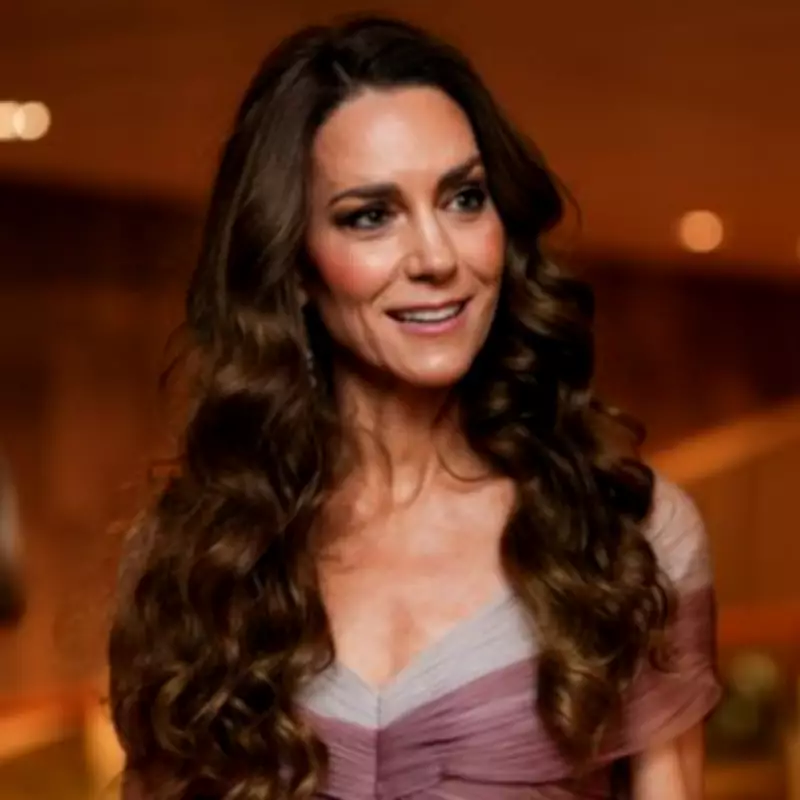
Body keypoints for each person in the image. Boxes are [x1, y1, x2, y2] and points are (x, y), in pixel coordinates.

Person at [109, 15, 721, 800]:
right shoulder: (197, 557)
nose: (437, 258)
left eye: (464, 199)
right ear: (295, 265)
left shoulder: (625, 536)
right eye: (371, 215)